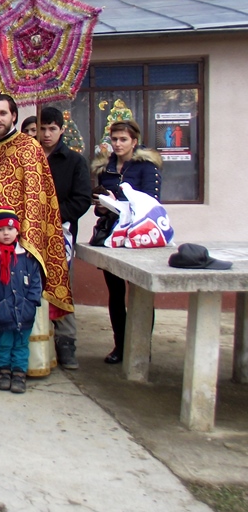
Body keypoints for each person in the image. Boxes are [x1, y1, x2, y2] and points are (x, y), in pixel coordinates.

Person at [0, 94, 72, 356]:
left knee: (21, 301)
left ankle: (24, 363)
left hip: (20, 242)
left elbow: (35, 197)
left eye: (2, 113)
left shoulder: (29, 147)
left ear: (14, 116)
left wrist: (28, 242)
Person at [90, 120, 161, 364]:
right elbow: (100, 210)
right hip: (112, 236)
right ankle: (120, 345)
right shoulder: (105, 168)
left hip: (139, 236)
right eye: (114, 139)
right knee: (116, 293)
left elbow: (151, 203)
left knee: (140, 292)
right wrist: (103, 204)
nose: (118, 144)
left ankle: (141, 345)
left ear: (134, 141)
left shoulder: (146, 167)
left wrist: (118, 201)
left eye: (123, 139)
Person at [39, 107, 92, 370]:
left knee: (63, 286)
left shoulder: (74, 161)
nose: (47, 134)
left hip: (62, 233)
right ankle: (40, 342)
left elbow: (82, 199)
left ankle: (67, 341)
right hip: (33, 233)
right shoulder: (31, 158)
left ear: (61, 130)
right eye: (43, 128)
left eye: (52, 129)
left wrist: (53, 217)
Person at [0, 208, 43, 394]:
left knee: (21, 342)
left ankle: (19, 372)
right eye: (0, 229)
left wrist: (31, 302)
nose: (6, 233)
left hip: (24, 309)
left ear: (17, 230)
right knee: (4, 342)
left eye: (10, 229)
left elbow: (36, 280)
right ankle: (4, 371)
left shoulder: (27, 256)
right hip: (1, 310)